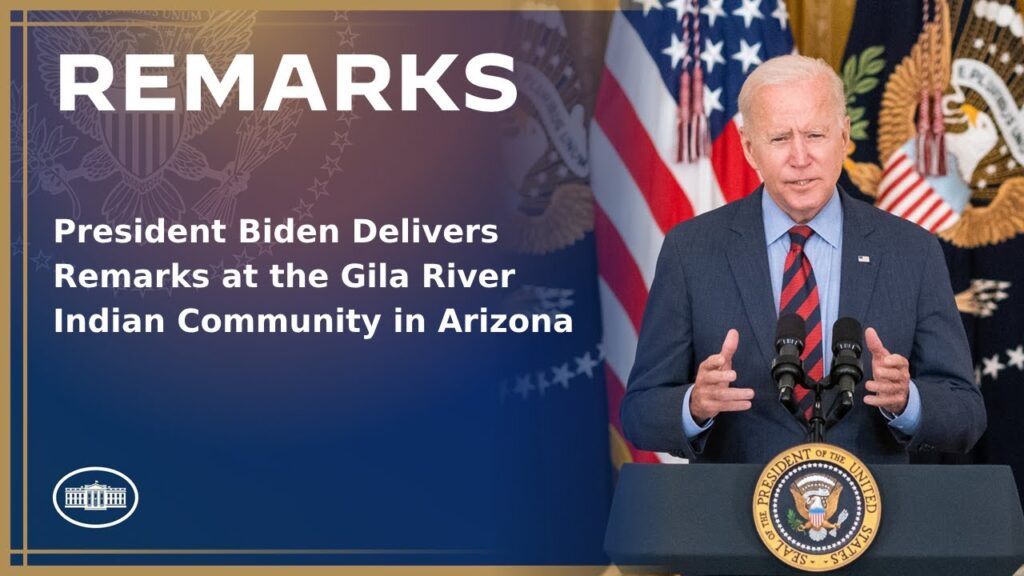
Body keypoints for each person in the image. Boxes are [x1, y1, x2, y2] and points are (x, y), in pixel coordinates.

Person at [620, 55, 986, 464]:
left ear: (844, 136)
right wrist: (694, 405)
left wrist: (908, 401)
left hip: (877, 517)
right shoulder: (691, 250)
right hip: (733, 517)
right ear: (748, 147)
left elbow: (966, 413)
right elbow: (640, 413)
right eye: (779, 138)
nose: (800, 157)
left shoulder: (911, 251)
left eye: (815, 134)